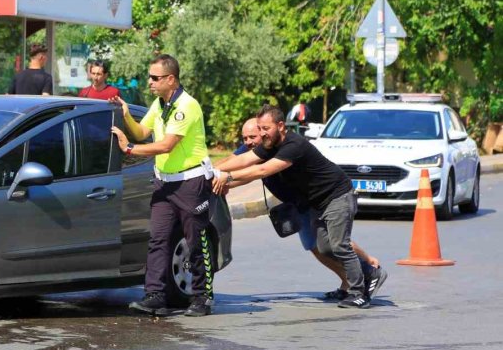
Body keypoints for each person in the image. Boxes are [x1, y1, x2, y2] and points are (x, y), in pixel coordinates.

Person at [213, 105, 387, 308]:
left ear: (280, 126)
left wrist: (228, 177)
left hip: (337, 196)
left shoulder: (294, 145)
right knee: (324, 246)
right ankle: (370, 272)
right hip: (316, 202)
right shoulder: (268, 145)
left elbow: (262, 169)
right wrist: (209, 169)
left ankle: (359, 292)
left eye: (265, 128)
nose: (261, 134)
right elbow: (244, 158)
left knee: (338, 244)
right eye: (259, 128)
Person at [110, 54, 217, 317]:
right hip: (164, 183)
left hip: (190, 182)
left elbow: (167, 144)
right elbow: (141, 133)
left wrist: (130, 149)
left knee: (195, 240)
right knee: (158, 240)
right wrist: (126, 115)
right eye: (150, 77)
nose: (150, 82)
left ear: (171, 79)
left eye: (155, 78)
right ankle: (155, 295)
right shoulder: (160, 104)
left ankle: (203, 297)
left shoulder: (186, 106)